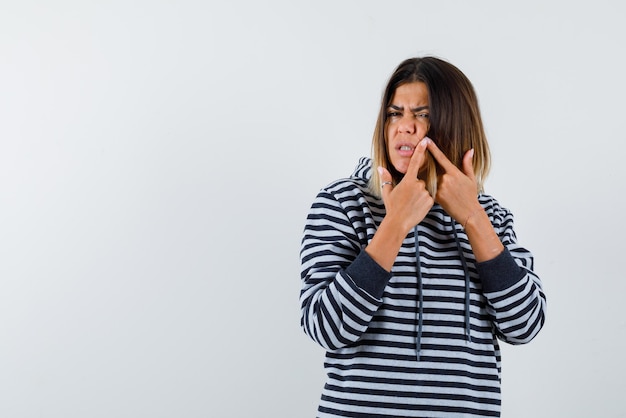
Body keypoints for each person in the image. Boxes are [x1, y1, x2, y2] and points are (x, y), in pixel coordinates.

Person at [299, 56, 547, 417]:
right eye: (395, 114)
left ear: (457, 125)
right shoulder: (343, 203)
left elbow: (524, 325)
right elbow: (327, 328)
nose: (404, 127)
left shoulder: (491, 216)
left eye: (423, 114)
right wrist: (395, 223)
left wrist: (473, 217)